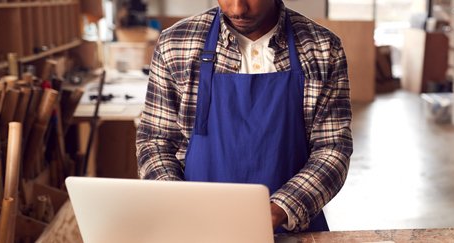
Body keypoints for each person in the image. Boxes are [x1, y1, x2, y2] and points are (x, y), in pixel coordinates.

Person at [135, 0, 353, 233]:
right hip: (198, 230)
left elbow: (333, 148)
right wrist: (179, 205)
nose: (238, 9)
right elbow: (156, 142)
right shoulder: (175, 44)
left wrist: (279, 209)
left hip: (290, 230)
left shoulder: (322, 48)